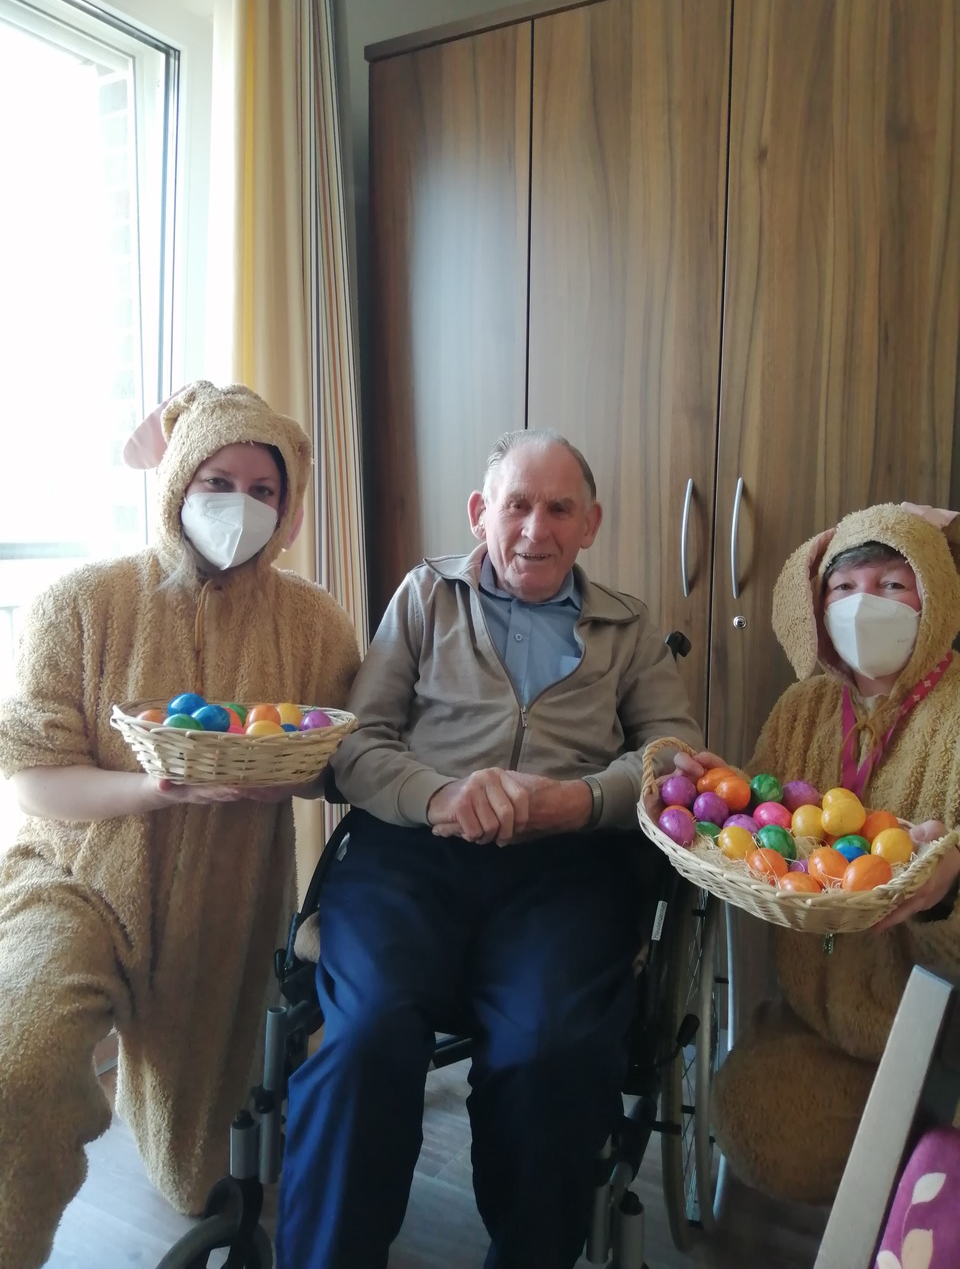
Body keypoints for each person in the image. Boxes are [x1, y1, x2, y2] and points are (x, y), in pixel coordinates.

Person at [275, 428, 703, 1269]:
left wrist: (575, 802)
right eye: (516, 505)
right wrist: (442, 794)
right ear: (481, 514)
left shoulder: (629, 627)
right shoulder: (425, 597)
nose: (535, 530)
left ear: (591, 524)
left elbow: (674, 760)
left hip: (566, 872)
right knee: (366, 1037)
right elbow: (358, 747)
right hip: (411, 854)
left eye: (558, 509)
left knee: (549, 1050)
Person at [0, 380, 360, 1268]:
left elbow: (346, 754)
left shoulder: (312, 623)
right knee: (23, 1067)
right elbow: (36, 780)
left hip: (227, 905)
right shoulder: (81, 606)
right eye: (216, 480)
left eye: (263, 490)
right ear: (176, 486)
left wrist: (295, 772)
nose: (239, 505)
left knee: (206, 1174)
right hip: (75, 881)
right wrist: (152, 792)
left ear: (287, 508)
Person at [688, 502, 960, 1204]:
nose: (866, 605)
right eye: (844, 588)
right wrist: (726, 800)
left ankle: (920, 1169)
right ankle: (907, 1174)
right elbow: (767, 829)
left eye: (893, 586)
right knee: (756, 1116)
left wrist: (947, 890)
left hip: (939, 1029)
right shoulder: (802, 708)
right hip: (821, 1023)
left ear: (934, 595)